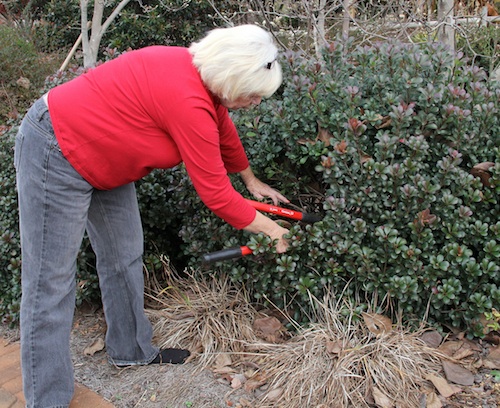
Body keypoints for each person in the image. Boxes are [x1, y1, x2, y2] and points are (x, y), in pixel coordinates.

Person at [14, 24, 289, 408]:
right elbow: (216, 195)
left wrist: (250, 179)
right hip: (56, 151)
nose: (257, 102)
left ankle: (130, 350)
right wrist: (271, 230)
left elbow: (222, 130)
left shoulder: (203, 82)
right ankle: (47, 400)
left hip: (107, 162)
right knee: (50, 283)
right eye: (254, 94)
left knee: (124, 255)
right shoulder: (187, 99)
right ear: (229, 80)